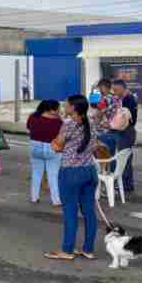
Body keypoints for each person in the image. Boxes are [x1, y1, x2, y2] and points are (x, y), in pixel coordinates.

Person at [44, 95, 99, 261]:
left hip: (71, 172)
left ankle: (67, 250)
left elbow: (57, 146)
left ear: (73, 108)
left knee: (70, 212)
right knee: (89, 212)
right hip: (89, 171)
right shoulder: (91, 121)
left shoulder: (68, 124)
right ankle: (88, 249)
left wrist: (56, 143)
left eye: (66, 104)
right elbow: (94, 145)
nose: (63, 106)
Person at [26, 100, 63, 206]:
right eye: (58, 109)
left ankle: (34, 197)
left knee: (36, 173)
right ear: (51, 110)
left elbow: (29, 128)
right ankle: (56, 200)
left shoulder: (32, 117)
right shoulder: (58, 122)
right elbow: (62, 134)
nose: (59, 111)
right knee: (53, 175)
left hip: (35, 147)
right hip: (51, 148)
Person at [111, 79, 137, 194]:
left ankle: (126, 185)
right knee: (125, 158)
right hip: (125, 131)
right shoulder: (125, 98)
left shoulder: (128, 99)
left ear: (122, 88)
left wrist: (113, 124)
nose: (114, 92)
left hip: (126, 132)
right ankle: (127, 184)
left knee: (124, 159)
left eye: (116, 90)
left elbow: (124, 120)